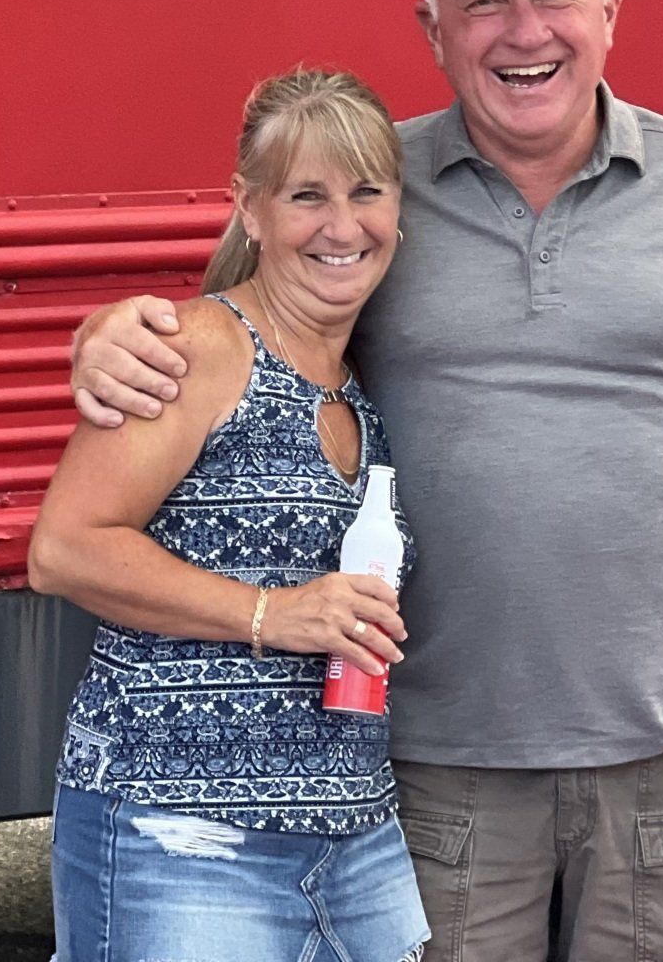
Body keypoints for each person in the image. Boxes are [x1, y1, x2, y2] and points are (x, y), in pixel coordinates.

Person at [68, 0, 663, 960]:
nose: (523, 33)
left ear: (610, 7)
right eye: (483, 3)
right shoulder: (374, 188)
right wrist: (116, 332)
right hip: (433, 771)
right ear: (435, 29)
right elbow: (241, 320)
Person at [28, 69, 429, 962]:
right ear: (250, 211)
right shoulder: (199, 348)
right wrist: (272, 614)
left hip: (354, 837)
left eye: (367, 192)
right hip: (180, 832)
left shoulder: (365, 380)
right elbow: (64, 549)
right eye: (306, 196)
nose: (342, 225)